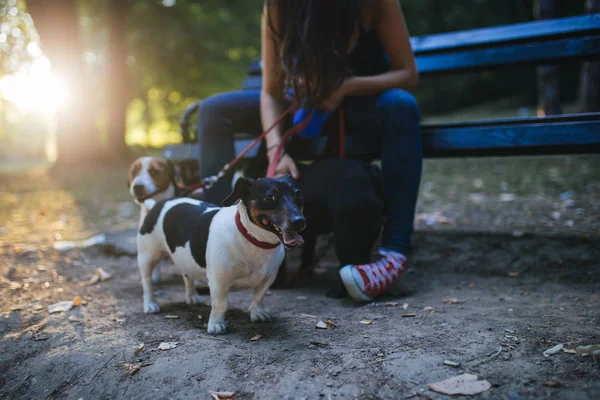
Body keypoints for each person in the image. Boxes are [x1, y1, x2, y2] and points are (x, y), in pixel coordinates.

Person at [196, 0, 422, 302]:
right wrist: (277, 152)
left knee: (401, 105)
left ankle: (395, 251)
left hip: (363, 98)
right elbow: (270, 91)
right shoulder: (277, 6)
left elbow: (408, 74)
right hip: (301, 105)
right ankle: (212, 244)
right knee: (213, 110)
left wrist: (346, 87)